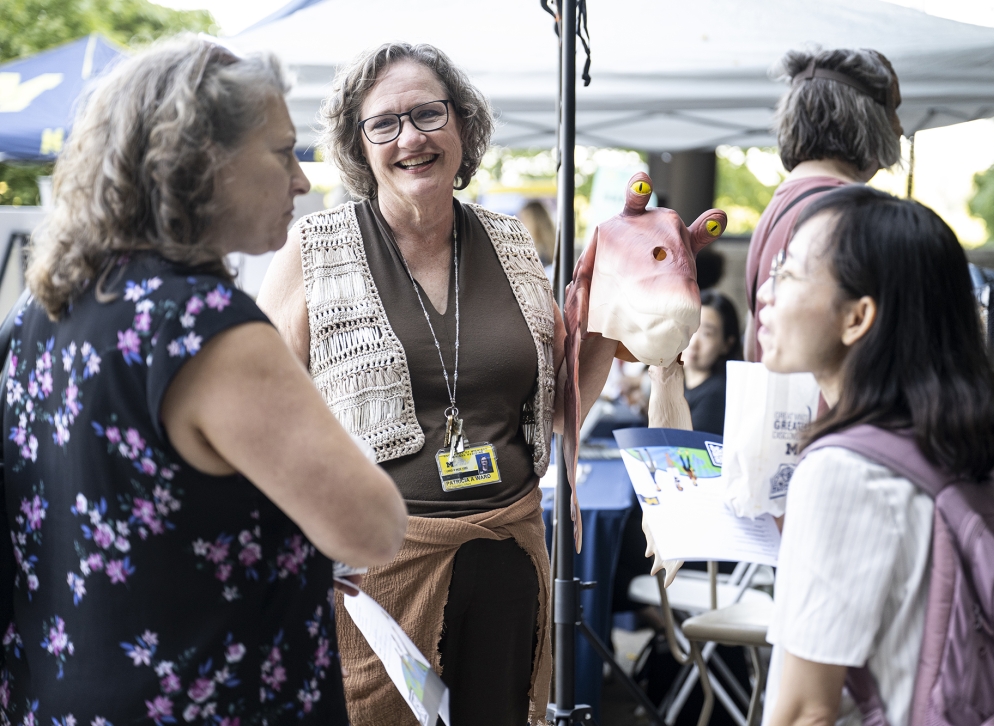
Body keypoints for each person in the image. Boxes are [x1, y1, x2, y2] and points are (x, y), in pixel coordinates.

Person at [2, 36, 407, 723]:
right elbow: (371, 527)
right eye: (282, 152)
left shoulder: (40, 313)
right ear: (198, 160)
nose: (302, 179)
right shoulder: (203, 326)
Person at [257, 43, 615, 726]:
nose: (411, 138)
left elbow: (559, 413)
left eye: (428, 114)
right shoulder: (315, 249)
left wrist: (621, 314)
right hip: (377, 572)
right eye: (385, 124)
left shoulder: (512, 245)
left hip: (509, 553)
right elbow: (264, 423)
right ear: (359, 147)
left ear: (462, 125)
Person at [755, 185, 994, 726]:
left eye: (788, 272)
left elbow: (807, 709)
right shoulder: (951, 446)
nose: (765, 291)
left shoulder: (845, 473)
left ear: (858, 317)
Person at [744, 48, 903, 362]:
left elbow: (754, 341)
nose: (898, 127)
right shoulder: (845, 210)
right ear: (865, 117)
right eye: (892, 109)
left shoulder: (783, 203)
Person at [681, 290, 742, 434]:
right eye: (690, 328)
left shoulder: (716, 394)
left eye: (706, 334)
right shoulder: (679, 382)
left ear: (727, 344)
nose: (693, 342)